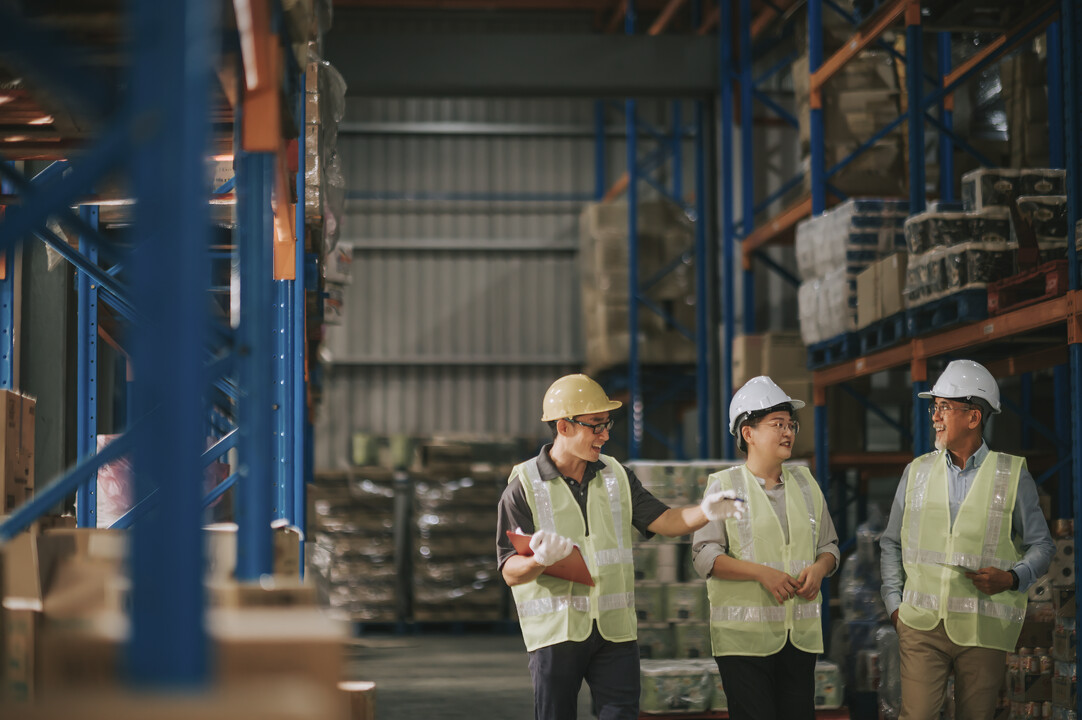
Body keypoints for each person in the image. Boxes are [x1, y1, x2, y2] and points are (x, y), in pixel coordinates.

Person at [497, 373, 743, 720]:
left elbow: (666, 520)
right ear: (564, 427)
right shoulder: (523, 486)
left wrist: (704, 512)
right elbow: (510, 571)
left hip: (615, 632)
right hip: (557, 633)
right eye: (595, 425)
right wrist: (538, 560)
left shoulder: (616, 476)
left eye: (607, 424)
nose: (605, 435)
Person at [880, 359, 1055, 720]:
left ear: (974, 417)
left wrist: (1013, 578)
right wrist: (894, 605)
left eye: (944, 406)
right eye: (935, 406)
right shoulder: (916, 472)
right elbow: (891, 543)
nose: (935, 416)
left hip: (982, 629)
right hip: (920, 625)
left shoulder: (1012, 474)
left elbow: (1042, 546)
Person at [690, 376, 839, 720]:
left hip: (798, 638)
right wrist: (762, 574)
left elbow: (829, 545)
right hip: (743, 642)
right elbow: (704, 555)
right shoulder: (725, 486)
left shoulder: (806, 484)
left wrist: (820, 568)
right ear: (748, 433)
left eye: (791, 425)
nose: (788, 432)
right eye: (777, 424)